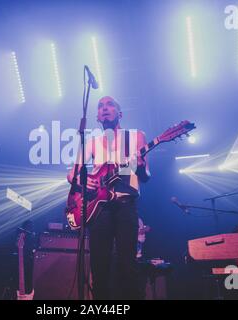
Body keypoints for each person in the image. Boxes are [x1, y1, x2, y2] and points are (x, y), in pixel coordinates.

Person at [67, 96, 150, 299]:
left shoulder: (136, 136)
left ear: (119, 113)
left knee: (127, 264)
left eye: (110, 105)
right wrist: (81, 181)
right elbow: (72, 174)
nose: (105, 109)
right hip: (99, 208)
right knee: (99, 265)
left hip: (125, 204)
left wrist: (139, 166)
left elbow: (146, 175)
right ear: (97, 116)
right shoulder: (92, 142)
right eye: (101, 106)